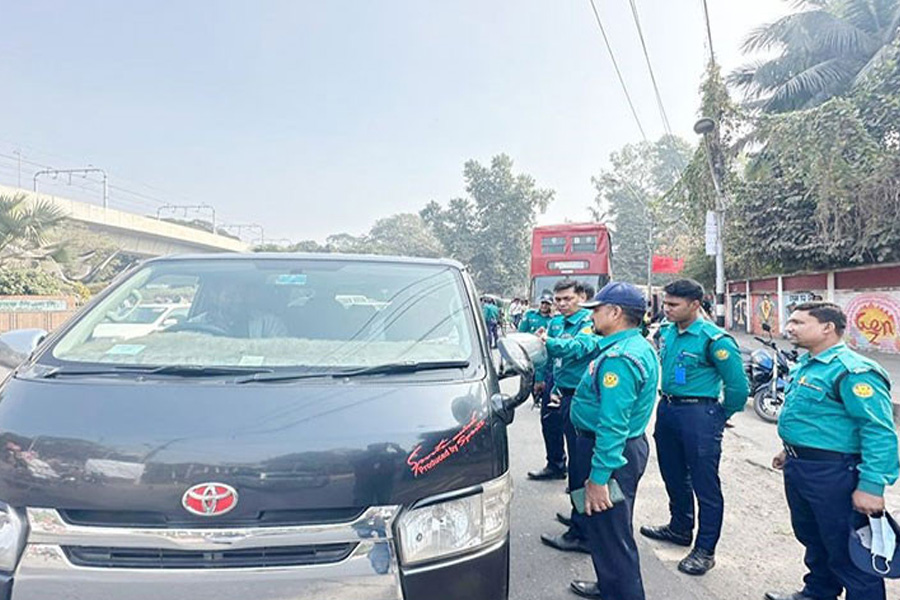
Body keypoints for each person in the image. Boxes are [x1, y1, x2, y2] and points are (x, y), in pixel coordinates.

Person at [766, 302, 899, 600]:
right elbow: (817, 420)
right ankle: (818, 592)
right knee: (814, 538)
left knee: (849, 551)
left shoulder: (853, 371)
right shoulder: (809, 365)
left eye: (799, 322)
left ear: (827, 328)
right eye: (791, 321)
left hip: (834, 473)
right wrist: (791, 450)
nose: (789, 328)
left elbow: (878, 430)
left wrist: (872, 486)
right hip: (802, 467)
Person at [639, 279, 749, 576]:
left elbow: (738, 387)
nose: (667, 309)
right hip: (668, 408)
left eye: (674, 304)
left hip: (699, 413)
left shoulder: (715, 340)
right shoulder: (667, 332)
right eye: (666, 303)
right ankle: (679, 527)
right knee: (673, 473)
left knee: (705, 484)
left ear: (695, 304)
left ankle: (705, 550)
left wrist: (719, 415)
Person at [566, 282, 659, 600]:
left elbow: (613, 424)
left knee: (612, 532)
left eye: (596, 310)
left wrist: (599, 478)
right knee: (605, 529)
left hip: (609, 452)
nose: (591, 316)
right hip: (614, 449)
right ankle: (611, 585)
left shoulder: (619, 359)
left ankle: (623, 593)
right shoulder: (632, 345)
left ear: (615, 312)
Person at [531, 279, 595, 553]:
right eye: (558, 300)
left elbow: (576, 349)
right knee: (576, 464)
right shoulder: (558, 323)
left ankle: (582, 531)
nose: (561, 304)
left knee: (582, 465)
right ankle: (579, 516)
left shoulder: (589, 323)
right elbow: (554, 361)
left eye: (568, 299)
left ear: (581, 297)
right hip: (564, 393)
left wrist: (548, 341)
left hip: (582, 398)